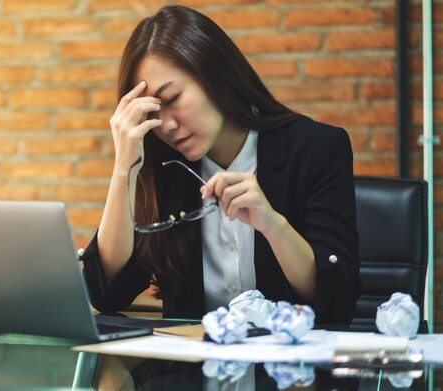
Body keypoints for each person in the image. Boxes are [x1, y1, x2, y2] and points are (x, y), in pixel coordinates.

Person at [79, 5, 360, 324]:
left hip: (289, 369)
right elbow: (107, 293)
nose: (166, 125)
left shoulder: (316, 148)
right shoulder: (167, 166)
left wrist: (272, 224)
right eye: (153, 115)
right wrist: (124, 168)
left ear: (214, 74)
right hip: (192, 370)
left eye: (171, 99)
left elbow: (338, 300)